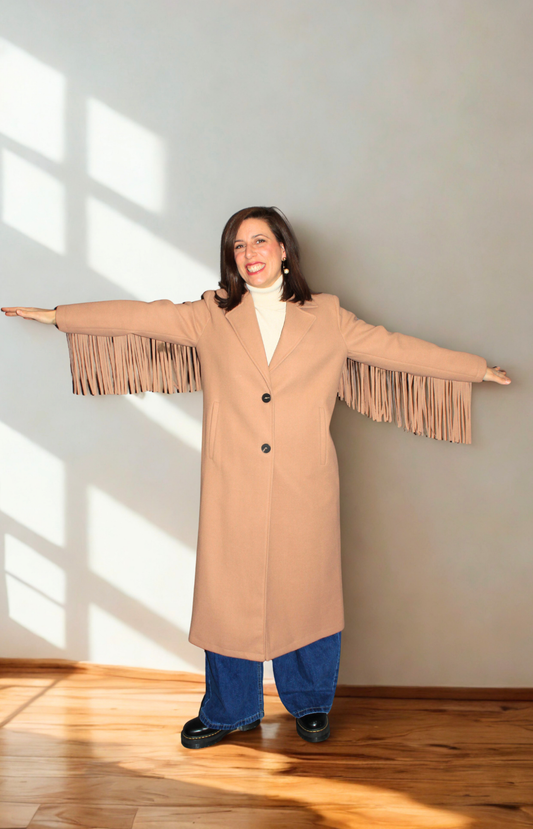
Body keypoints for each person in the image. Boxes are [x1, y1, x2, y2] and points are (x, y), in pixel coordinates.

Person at [2, 206, 511, 750]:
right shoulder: (212, 314)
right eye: (239, 246)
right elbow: (138, 317)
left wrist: (474, 369)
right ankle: (230, 710)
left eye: (260, 241)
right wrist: (57, 316)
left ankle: (310, 704)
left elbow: (397, 349)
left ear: (284, 249)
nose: (249, 254)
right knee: (228, 599)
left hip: (305, 483)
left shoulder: (329, 316)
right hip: (232, 483)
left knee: (308, 594)